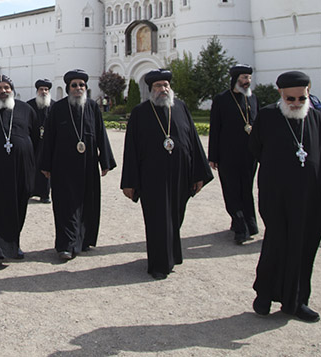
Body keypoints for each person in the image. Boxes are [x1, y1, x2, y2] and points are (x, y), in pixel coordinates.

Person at [250, 70, 321, 323]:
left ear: (308, 93)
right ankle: (265, 294)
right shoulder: (268, 116)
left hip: (310, 198)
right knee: (277, 245)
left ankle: (296, 301)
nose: (295, 104)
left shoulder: (315, 118)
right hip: (278, 196)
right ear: (280, 94)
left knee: (304, 250)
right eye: (290, 99)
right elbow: (255, 151)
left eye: (301, 99)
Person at [121, 69, 212, 279]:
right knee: (157, 219)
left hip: (181, 174)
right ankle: (159, 264)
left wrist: (199, 173)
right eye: (158, 86)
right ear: (151, 90)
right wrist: (130, 182)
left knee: (176, 215)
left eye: (166, 85)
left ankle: (172, 254)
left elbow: (194, 141)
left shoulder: (180, 107)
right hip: (152, 177)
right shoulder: (140, 112)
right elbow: (131, 150)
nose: (163, 89)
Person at [39, 69, 116, 260]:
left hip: (88, 164)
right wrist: (46, 164)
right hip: (63, 165)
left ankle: (83, 240)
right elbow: (49, 138)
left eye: (82, 85)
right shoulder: (58, 108)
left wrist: (105, 160)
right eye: (74, 85)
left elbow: (100, 134)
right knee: (65, 205)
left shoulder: (92, 107)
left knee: (87, 202)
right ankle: (65, 245)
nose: (78, 88)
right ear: (68, 88)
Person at [0, 75, 40, 271]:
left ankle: (13, 246)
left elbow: (35, 137)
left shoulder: (25, 109)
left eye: (7, 87)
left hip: (20, 170)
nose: (3, 91)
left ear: (12, 89)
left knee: (18, 207)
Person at [208, 64, 260, 244]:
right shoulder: (221, 99)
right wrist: (213, 156)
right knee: (231, 190)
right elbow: (215, 128)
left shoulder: (252, 98)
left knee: (246, 189)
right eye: (244, 78)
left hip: (250, 154)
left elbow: (257, 125)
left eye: (249, 78)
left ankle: (249, 224)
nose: (247, 82)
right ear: (235, 79)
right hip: (227, 154)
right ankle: (240, 228)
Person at [27, 79, 54, 203]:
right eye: (41, 89)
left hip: (48, 142)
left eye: (46, 89)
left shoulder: (54, 106)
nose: (44, 92)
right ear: (37, 91)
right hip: (33, 141)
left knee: (46, 167)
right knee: (30, 167)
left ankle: (44, 194)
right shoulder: (29, 105)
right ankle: (30, 191)